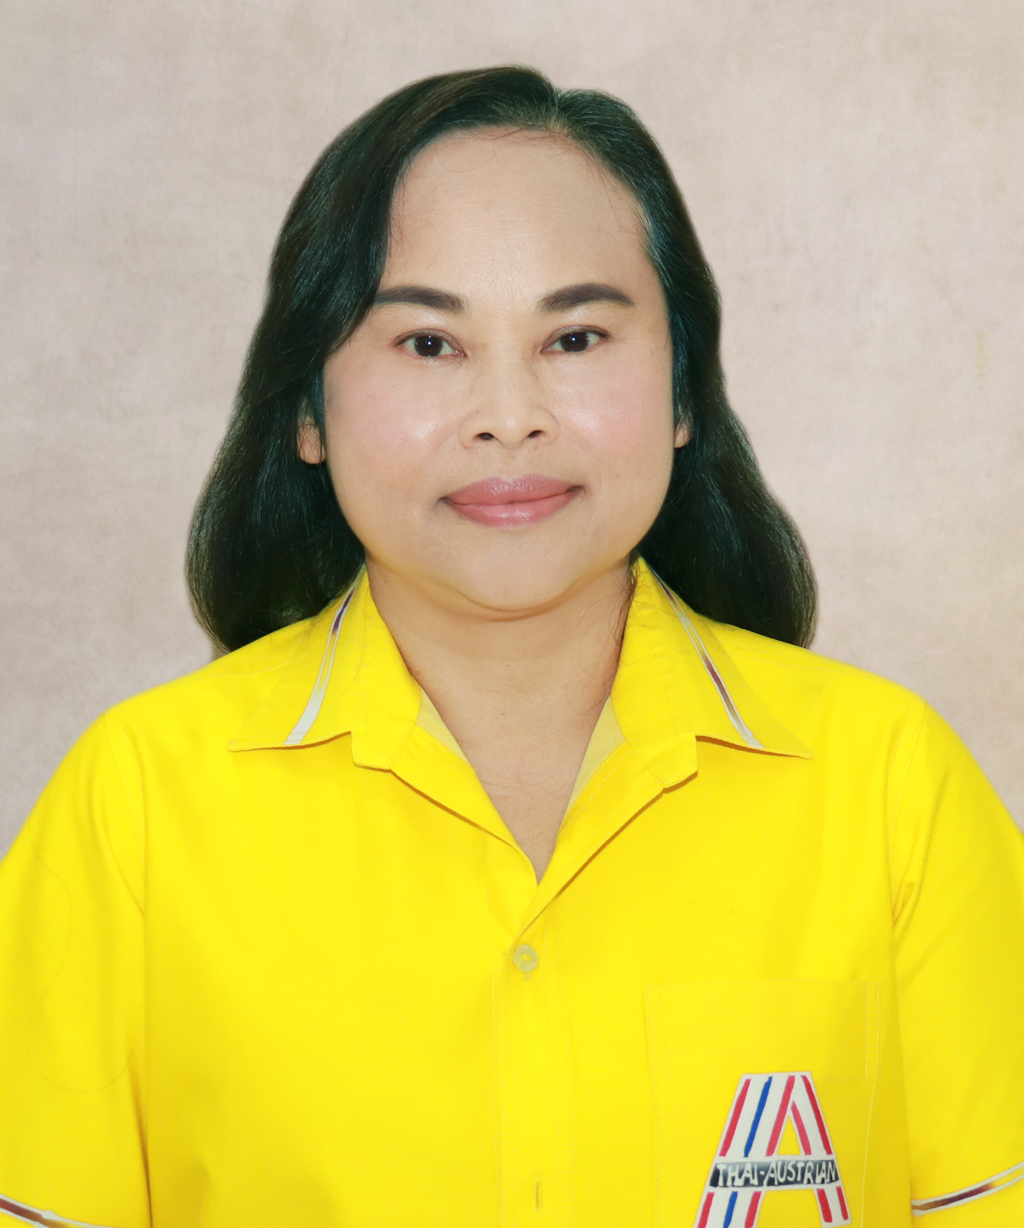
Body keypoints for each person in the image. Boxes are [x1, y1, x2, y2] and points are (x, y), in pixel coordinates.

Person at [0, 65, 1021, 1228]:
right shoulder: (136, 808)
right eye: (428, 344)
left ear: (683, 391)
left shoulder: (891, 790)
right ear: (308, 411)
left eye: (575, 336)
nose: (508, 415)